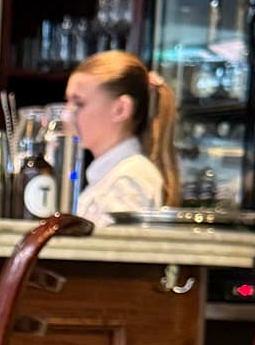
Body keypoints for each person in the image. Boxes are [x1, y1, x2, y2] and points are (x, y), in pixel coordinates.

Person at [65, 50, 180, 225]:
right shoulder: (112, 174)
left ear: (120, 109)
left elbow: (115, 251)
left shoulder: (128, 180)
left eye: (79, 103)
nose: (66, 115)